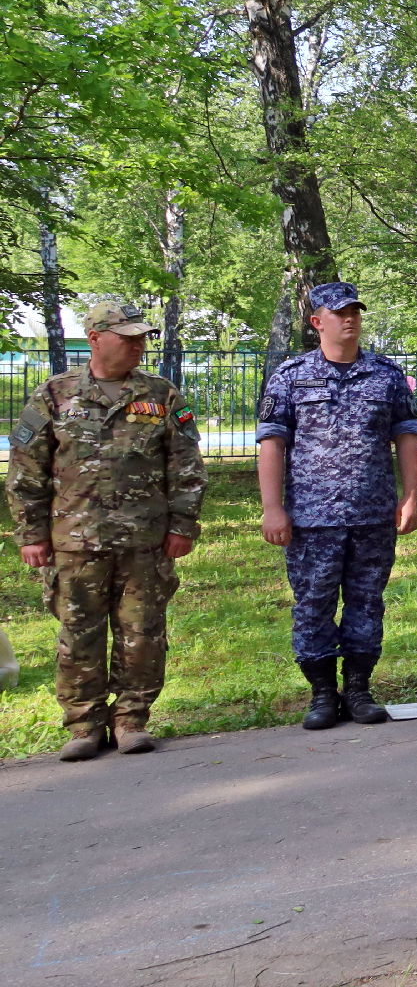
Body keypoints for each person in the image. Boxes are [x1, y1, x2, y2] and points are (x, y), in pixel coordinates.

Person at [6, 302, 207, 761]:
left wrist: (183, 524)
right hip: (75, 541)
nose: (138, 345)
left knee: (143, 633)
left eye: (142, 338)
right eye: (128, 337)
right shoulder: (55, 394)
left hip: (146, 540)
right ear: (95, 338)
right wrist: (31, 534)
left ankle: (131, 720)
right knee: (79, 634)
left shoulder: (160, 394)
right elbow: (26, 469)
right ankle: (84, 725)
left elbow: (186, 466)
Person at [257, 281, 417, 730]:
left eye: (355, 312)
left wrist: (411, 497)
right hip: (312, 518)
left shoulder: (386, 375)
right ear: (317, 321)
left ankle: (359, 689)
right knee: (313, 604)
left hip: (373, 514)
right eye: (339, 313)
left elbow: (407, 436)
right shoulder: (291, 376)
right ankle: (322, 694)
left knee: (367, 603)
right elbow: (272, 443)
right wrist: (272, 507)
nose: (350, 319)